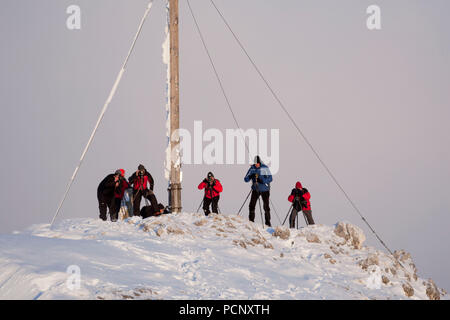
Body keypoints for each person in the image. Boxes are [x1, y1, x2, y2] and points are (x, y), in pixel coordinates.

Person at [244, 156, 273, 227]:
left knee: (266, 206)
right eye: (255, 163)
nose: (256, 164)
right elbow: (245, 179)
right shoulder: (252, 168)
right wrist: (250, 176)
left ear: (259, 162)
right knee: (251, 205)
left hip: (264, 189)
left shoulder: (264, 168)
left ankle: (268, 222)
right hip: (255, 189)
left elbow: (270, 178)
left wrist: (262, 181)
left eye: (257, 163)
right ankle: (251, 221)